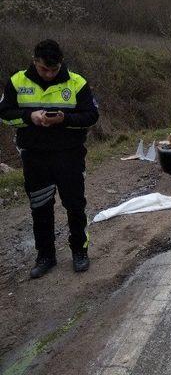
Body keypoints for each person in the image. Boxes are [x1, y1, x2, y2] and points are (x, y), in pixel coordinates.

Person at [0, 40, 99, 278]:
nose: (49, 74)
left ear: (61, 63)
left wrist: (64, 119)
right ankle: (45, 255)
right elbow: (3, 113)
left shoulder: (77, 82)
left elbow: (91, 116)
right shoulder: (17, 81)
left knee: (75, 206)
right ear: (35, 61)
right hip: (35, 157)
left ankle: (79, 251)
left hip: (69, 156)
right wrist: (29, 116)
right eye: (44, 69)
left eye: (54, 70)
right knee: (40, 207)